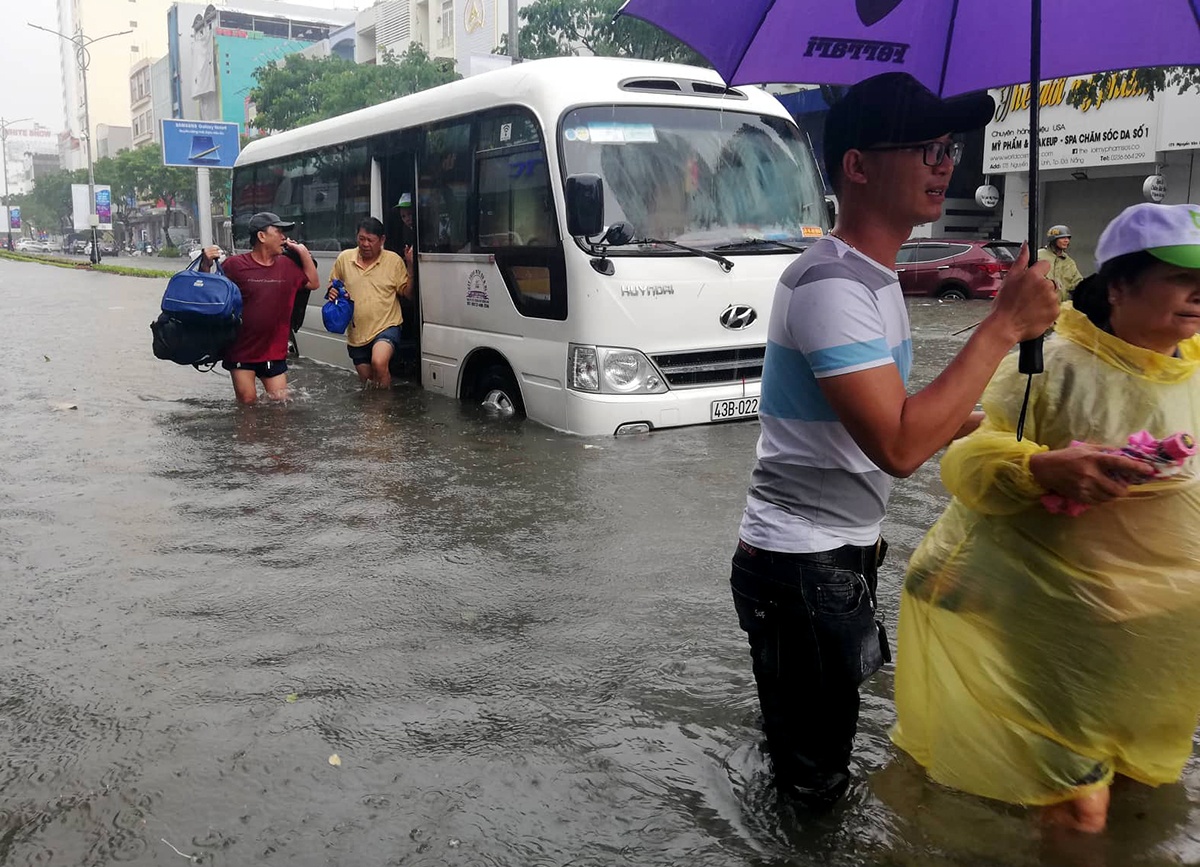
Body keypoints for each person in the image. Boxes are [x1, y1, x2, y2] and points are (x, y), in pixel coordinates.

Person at [728, 71, 1060, 811]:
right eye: (925, 148)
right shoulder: (831, 285)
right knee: (815, 793)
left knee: (805, 757)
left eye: (948, 147)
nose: (946, 163)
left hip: (827, 560)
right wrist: (1002, 324)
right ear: (858, 165)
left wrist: (963, 419)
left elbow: (886, 418)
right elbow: (900, 446)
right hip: (803, 568)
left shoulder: (873, 280)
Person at [891, 202, 1200, 834]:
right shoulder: (1050, 364)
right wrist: (1040, 469)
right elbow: (969, 458)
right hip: (1052, 624)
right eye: (1181, 276)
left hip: (1151, 635)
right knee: (1078, 810)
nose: (1199, 296)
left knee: (1138, 787)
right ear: (1119, 285)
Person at [199, 212, 319, 404]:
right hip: (241, 350)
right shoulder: (235, 265)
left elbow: (313, 283)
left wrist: (303, 252)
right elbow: (210, 294)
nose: (284, 237)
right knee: (248, 404)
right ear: (261, 236)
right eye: (278, 231)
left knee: (281, 404)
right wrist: (205, 264)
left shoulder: (287, 265)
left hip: (274, 350)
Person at [327, 216, 410, 389]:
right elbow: (333, 284)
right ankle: (376, 412)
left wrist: (411, 268)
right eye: (361, 239)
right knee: (368, 382)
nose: (365, 244)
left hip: (387, 324)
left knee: (379, 363)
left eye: (370, 240)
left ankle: (384, 412)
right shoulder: (345, 259)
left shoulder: (393, 260)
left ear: (382, 240)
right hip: (357, 333)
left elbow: (407, 293)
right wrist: (332, 291)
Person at [1038, 224, 1083, 300]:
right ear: (1053, 239)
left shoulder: (1069, 262)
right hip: (1039, 305)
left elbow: (1078, 284)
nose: (1067, 240)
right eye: (1063, 238)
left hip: (1060, 308)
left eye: (1068, 238)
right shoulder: (1038, 255)